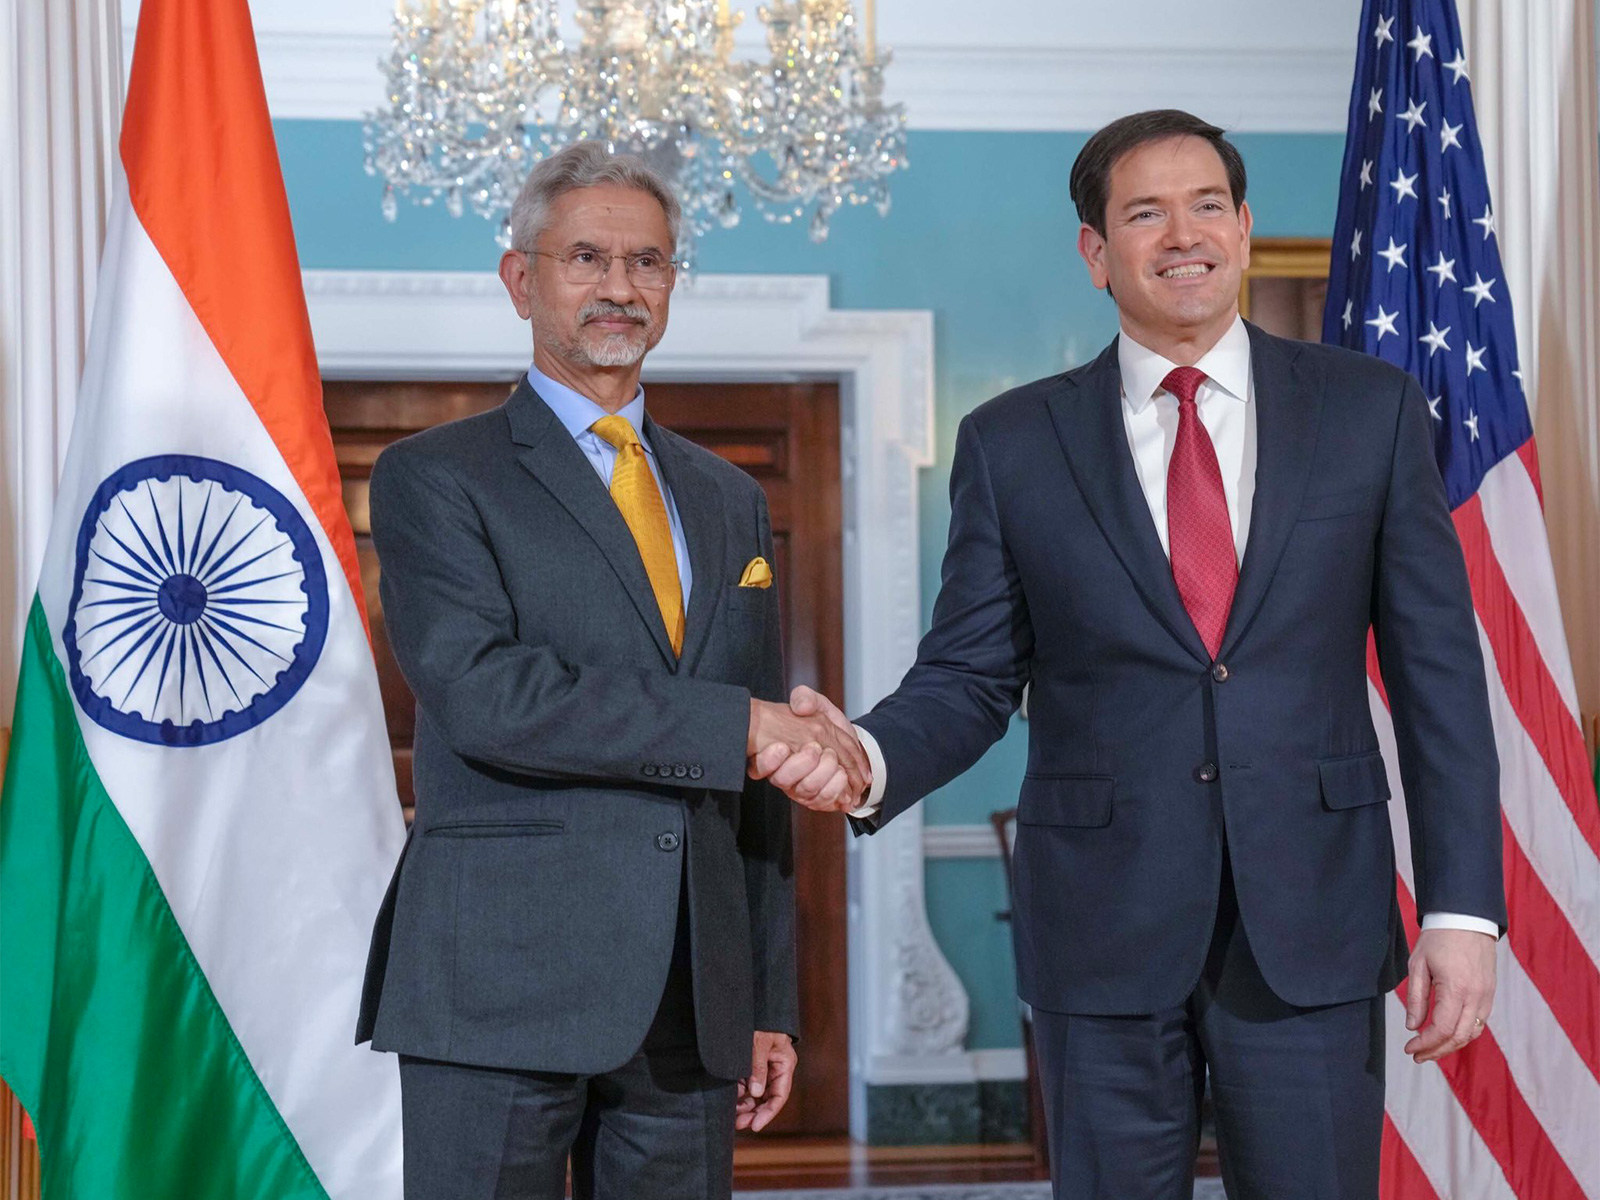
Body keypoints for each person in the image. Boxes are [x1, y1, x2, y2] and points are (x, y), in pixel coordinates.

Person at [756, 110, 1506, 1199]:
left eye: (1206, 206)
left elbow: (1441, 681)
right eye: (1143, 213)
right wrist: (866, 755)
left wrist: (1458, 912)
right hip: (1100, 931)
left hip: (1312, 924)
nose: (1182, 234)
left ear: (1246, 230)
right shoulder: (1012, 442)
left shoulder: (1368, 413)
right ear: (1095, 252)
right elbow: (969, 676)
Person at [355, 141, 869, 1200]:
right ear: (520, 279)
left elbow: (756, 777)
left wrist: (765, 996)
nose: (620, 288)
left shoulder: (728, 497)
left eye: (648, 264)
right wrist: (741, 725)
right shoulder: (432, 479)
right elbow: (490, 697)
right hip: (497, 981)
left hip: (691, 993)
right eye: (586, 257)